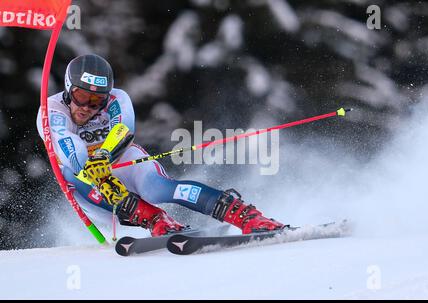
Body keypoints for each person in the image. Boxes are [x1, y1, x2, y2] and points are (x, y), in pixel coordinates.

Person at [37, 54, 284, 237]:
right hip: (85, 181)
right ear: (69, 90)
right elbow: (70, 149)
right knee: (78, 176)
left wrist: (103, 155)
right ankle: (155, 220)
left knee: (158, 190)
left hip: (120, 158)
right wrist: (97, 172)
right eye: (81, 97)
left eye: (96, 101)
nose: (87, 108)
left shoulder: (117, 99)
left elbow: (124, 130)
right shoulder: (52, 111)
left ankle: (245, 215)